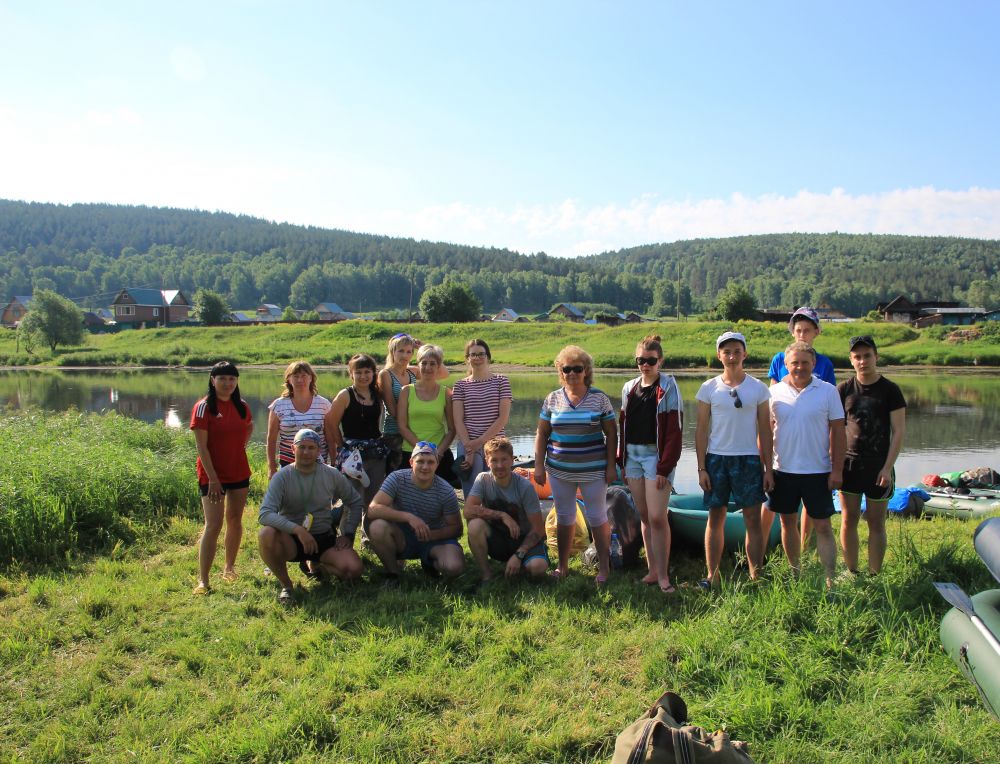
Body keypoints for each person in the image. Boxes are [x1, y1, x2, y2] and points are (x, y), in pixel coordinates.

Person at [694, 332, 773, 587]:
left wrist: (768, 469)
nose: (731, 356)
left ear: (744, 354)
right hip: (717, 460)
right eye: (726, 352)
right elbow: (701, 430)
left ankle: (755, 576)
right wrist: (701, 468)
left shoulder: (758, 388)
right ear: (719, 356)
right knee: (715, 518)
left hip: (748, 460)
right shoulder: (708, 388)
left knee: (753, 520)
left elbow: (765, 430)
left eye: (736, 351)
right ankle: (712, 576)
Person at [534, 345, 618, 584]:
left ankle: (604, 568)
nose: (571, 373)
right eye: (566, 369)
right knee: (564, 516)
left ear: (586, 371)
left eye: (577, 368)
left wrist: (611, 466)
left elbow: (612, 434)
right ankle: (562, 566)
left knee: (597, 517)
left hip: (593, 470)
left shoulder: (599, 398)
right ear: (560, 371)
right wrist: (538, 466)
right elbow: (542, 433)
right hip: (559, 470)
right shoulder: (552, 398)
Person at [768, 341, 846, 588]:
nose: (799, 367)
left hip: (818, 471)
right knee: (787, 523)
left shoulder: (828, 391)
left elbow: (838, 431)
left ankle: (830, 578)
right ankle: (795, 573)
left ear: (813, 363)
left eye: (805, 362)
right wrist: (766, 469)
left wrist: (837, 469)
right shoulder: (774, 392)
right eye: (794, 363)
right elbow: (765, 432)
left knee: (823, 526)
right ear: (786, 364)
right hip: (783, 470)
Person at [257, 428, 365, 605]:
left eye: (311, 447)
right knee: (266, 534)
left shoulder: (331, 474)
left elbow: (355, 501)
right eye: (302, 447)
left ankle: (318, 564)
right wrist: (298, 530)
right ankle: (286, 585)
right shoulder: (282, 477)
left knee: (353, 570)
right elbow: (265, 514)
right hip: (292, 540)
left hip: (323, 536)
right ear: (293, 449)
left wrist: (348, 534)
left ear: (319, 450)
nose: (306, 452)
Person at [764, 307, 836, 548]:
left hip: (814, 452)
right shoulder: (779, 359)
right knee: (773, 508)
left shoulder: (825, 364)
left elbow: (829, 411)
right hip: (783, 450)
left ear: (816, 332)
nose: (802, 334)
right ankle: (761, 549)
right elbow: (773, 402)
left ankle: (805, 546)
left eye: (807, 330)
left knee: (812, 510)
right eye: (798, 330)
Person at [618, 334, 682, 593]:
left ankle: (664, 575)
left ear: (660, 361)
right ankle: (652, 570)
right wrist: (622, 461)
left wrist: (665, 467)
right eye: (640, 361)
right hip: (632, 457)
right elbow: (623, 426)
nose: (645, 365)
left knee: (657, 516)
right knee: (644, 515)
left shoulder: (668, 387)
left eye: (651, 361)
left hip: (656, 457)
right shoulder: (628, 388)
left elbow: (675, 431)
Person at [837, 335, 906, 576]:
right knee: (849, 519)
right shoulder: (844, 389)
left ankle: (874, 574)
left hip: (879, 467)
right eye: (857, 357)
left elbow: (898, 432)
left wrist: (887, 467)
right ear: (851, 360)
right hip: (849, 466)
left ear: (876, 357)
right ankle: (852, 571)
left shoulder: (890, 390)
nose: (862, 361)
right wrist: (834, 465)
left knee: (876, 522)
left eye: (867, 356)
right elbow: (835, 430)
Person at [190, 361, 253, 594]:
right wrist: (213, 479)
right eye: (222, 378)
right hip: (212, 476)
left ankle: (229, 568)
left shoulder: (241, 406)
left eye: (232, 379)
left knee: (235, 520)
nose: (227, 383)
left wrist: (240, 445)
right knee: (213, 524)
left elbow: (249, 425)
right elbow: (201, 447)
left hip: (239, 471)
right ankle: (204, 580)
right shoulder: (203, 407)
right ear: (212, 380)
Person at [367, 441, 465, 581]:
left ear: (437, 464)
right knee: (377, 527)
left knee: (454, 567)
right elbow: (372, 509)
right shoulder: (396, 478)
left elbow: (457, 528)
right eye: (420, 461)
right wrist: (409, 517)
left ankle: (430, 562)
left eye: (430, 462)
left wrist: (431, 535)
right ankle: (393, 574)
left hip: (435, 538)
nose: (425, 467)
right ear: (411, 462)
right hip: (403, 537)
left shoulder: (446, 490)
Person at [465, 437, 549, 587]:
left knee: (538, 568)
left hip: (525, 540)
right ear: (487, 461)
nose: (499, 465)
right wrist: (502, 515)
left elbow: (538, 529)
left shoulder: (524, 487)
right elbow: (468, 511)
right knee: (474, 525)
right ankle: (487, 576)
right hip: (499, 540)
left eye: (504, 459)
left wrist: (519, 554)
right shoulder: (483, 479)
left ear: (512, 460)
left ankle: (517, 567)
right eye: (494, 460)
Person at [327, 353, 389, 509]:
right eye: (358, 372)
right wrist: (342, 447)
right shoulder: (345, 395)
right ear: (351, 374)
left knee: (373, 500)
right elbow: (331, 423)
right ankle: (346, 526)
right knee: (353, 500)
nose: (363, 376)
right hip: (352, 455)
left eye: (367, 372)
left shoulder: (377, 394)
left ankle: (369, 526)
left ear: (373, 373)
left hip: (376, 453)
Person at [453, 339, 513, 498]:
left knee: (496, 492)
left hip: (495, 444)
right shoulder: (460, 386)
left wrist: (478, 443)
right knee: (472, 493)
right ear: (467, 358)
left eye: (481, 354)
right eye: (473, 355)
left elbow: (503, 418)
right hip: (467, 443)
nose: (477, 358)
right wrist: (469, 448)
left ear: (488, 357)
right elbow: (458, 420)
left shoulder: (501, 381)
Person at [398, 344, 457, 482]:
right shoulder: (406, 391)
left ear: (438, 366)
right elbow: (402, 426)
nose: (427, 367)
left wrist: (439, 452)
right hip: (411, 451)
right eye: (424, 363)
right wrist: (422, 449)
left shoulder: (446, 393)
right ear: (418, 365)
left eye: (432, 363)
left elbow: (452, 429)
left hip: (439, 454)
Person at [266, 360, 332, 478]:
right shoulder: (278, 405)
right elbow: (271, 439)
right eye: (295, 376)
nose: (300, 380)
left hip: (318, 462)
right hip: (288, 463)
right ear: (289, 379)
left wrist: (334, 462)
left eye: (304, 376)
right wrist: (271, 467)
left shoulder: (324, 404)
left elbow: (330, 438)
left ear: (311, 378)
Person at [378, 333, 419, 473]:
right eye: (401, 351)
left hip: (413, 431)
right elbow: (392, 410)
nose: (405, 355)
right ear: (392, 352)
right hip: (393, 434)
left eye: (409, 351)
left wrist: (423, 347)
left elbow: (442, 372)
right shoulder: (385, 374)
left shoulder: (413, 372)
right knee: (396, 475)